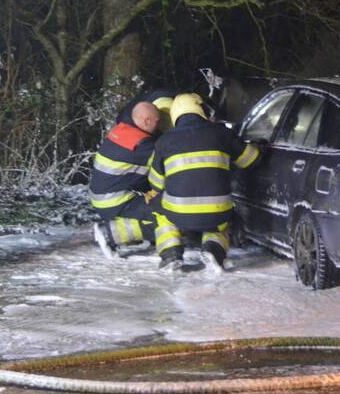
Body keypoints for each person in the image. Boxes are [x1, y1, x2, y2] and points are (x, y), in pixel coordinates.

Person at [147, 93, 261, 272]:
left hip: (178, 213)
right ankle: (213, 251)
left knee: (161, 213)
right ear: (201, 110)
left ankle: (170, 253)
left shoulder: (164, 141)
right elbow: (251, 160)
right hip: (217, 212)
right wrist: (257, 146)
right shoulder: (222, 133)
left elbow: (155, 182)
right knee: (221, 224)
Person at [89, 101, 163, 258]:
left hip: (103, 197)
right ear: (146, 121)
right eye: (158, 121)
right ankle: (110, 233)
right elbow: (166, 165)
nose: (160, 126)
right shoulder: (142, 144)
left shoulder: (122, 130)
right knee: (168, 216)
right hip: (115, 202)